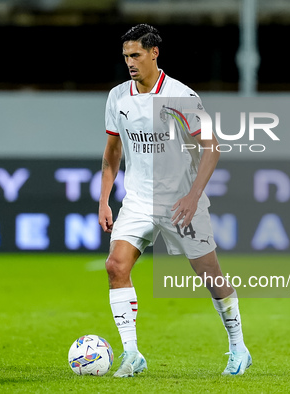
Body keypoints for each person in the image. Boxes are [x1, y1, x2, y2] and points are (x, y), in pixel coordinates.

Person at [99, 24, 251, 378]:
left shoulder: (182, 96)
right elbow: (111, 152)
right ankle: (132, 354)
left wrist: (193, 196)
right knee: (115, 267)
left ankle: (238, 347)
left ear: (154, 53)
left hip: (181, 202)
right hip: (137, 200)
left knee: (211, 276)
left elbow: (212, 147)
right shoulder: (117, 97)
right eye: (125, 57)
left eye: (136, 55)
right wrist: (104, 200)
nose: (130, 63)